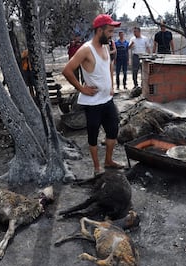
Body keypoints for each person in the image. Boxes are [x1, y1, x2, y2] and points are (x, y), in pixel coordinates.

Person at [62, 14, 124, 176]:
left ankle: (109, 161)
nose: (112, 35)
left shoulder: (105, 46)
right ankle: (97, 168)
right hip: (93, 103)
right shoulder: (85, 50)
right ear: (99, 30)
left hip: (107, 100)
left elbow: (109, 66)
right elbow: (67, 71)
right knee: (93, 136)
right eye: (109, 31)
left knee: (113, 131)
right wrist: (81, 89)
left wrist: (112, 85)